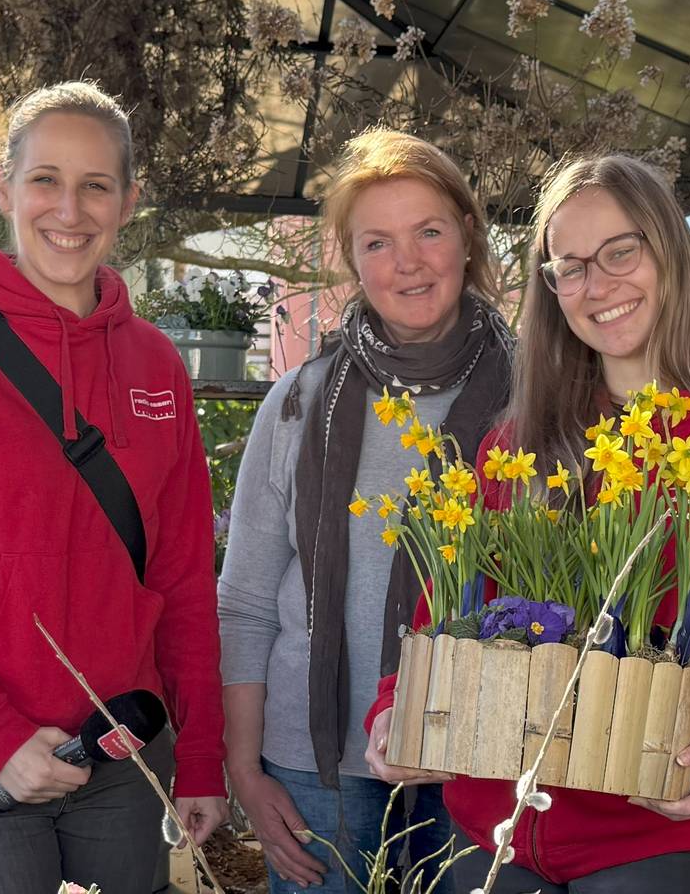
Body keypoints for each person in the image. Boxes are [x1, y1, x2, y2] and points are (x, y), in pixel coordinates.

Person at [363, 154, 690, 892]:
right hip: (490, 839)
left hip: (652, 842)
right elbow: (443, 624)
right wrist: (396, 713)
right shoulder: (513, 451)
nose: (600, 284)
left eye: (622, 250)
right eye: (571, 266)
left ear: (670, 254)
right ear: (551, 291)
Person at [0, 80, 230, 893]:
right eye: (46, 180)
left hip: (125, 757)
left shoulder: (157, 365)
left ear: (128, 202)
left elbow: (185, 581)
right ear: (4, 189)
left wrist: (200, 759)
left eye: (97, 185)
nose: (71, 208)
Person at [219, 132, 512, 892]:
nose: (407, 261)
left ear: (468, 237)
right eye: (377, 242)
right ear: (352, 261)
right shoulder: (298, 404)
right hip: (316, 765)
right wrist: (244, 771)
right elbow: (247, 601)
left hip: (483, 754)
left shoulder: (538, 401)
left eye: (429, 231)